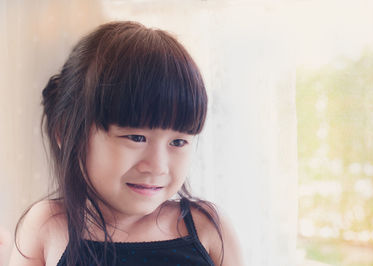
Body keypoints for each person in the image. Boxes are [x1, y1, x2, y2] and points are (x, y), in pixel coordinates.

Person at [8, 21, 243, 266]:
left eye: (178, 141)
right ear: (67, 134)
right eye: (136, 138)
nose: (158, 166)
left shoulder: (209, 229)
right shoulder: (47, 225)